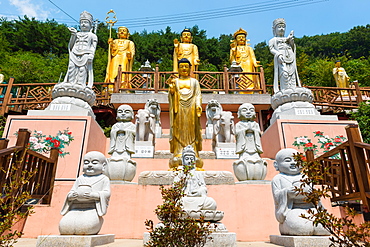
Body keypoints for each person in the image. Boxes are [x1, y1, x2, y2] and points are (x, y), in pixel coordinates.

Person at [272, 148, 329, 236]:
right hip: (292, 209)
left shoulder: (305, 177)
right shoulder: (278, 179)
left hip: (311, 208)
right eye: (288, 160)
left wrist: (313, 194)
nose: (293, 163)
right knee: (301, 227)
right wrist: (287, 192)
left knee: (325, 228)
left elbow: (315, 195)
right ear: (276, 165)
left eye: (297, 160)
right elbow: (277, 196)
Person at [59, 151, 110, 235]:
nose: (89, 165)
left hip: (92, 208)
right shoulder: (80, 178)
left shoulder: (104, 179)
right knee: (64, 227)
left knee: (86, 227)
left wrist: (95, 195)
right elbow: (72, 191)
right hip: (75, 208)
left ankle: (97, 221)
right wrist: (71, 196)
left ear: (103, 166)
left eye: (94, 163)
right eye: (86, 162)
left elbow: (106, 193)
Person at [168, 58, 203, 169]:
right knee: (178, 128)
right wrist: (172, 90)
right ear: (178, 68)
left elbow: (198, 95)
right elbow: (171, 96)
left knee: (192, 129)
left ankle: (193, 152)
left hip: (191, 108)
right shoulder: (175, 81)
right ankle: (178, 152)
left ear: (189, 69)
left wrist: (198, 105)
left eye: (186, 67)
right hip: (178, 108)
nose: (184, 69)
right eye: (181, 66)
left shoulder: (194, 82)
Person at [174, 145, 217, 211]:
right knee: (175, 203)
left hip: (197, 199)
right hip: (184, 199)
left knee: (211, 202)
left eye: (191, 159)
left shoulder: (198, 174)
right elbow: (175, 189)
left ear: (194, 161)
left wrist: (199, 192)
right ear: (183, 161)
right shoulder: (180, 175)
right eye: (186, 159)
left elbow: (204, 188)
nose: (189, 161)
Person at [63, 11, 97, 88]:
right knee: (71, 67)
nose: (83, 24)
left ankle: (80, 84)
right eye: (82, 22)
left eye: (86, 22)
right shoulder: (77, 34)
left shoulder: (92, 36)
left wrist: (91, 54)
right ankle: (70, 83)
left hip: (85, 53)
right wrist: (73, 35)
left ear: (90, 24)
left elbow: (93, 46)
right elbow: (71, 45)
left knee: (82, 69)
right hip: (74, 53)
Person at [233, 103, 266, 181]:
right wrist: (244, 131)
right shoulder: (239, 124)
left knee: (259, 161)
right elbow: (237, 133)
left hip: (254, 147)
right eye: (245, 110)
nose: (248, 112)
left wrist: (254, 131)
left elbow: (258, 133)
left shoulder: (256, 124)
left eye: (251, 110)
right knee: (243, 161)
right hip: (244, 148)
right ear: (239, 113)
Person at [269, 18, 301, 93]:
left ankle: (293, 90)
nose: (281, 29)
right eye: (279, 27)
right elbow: (272, 49)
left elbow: (293, 48)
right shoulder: (273, 40)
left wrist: (291, 41)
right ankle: (285, 90)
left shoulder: (287, 39)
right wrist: (278, 54)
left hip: (290, 57)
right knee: (284, 74)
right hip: (281, 58)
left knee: (292, 75)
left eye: (283, 27)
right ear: (274, 29)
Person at [230, 28, 260, 93]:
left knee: (250, 75)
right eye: (239, 37)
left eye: (243, 37)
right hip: (239, 63)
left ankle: (251, 88)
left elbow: (253, 57)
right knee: (240, 76)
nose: (241, 39)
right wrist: (233, 53)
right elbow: (232, 60)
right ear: (236, 40)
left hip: (248, 63)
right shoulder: (234, 49)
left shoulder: (249, 48)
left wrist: (255, 63)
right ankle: (241, 88)